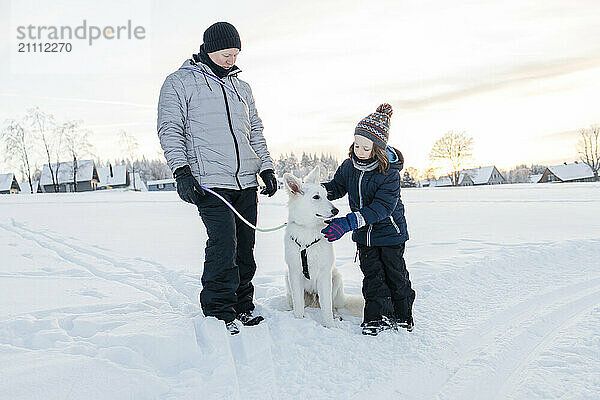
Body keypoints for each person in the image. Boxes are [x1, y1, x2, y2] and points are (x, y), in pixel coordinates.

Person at [157, 22, 277, 335]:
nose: (231, 59)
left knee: (245, 249)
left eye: (236, 54)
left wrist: (266, 167)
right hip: (210, 182)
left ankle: (242, 305)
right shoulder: (180, 82)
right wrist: (181, 172)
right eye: (226, 53)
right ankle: (219, 311)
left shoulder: (242, 87)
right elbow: (170, 129)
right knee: (223, 246)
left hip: (245, 182)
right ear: (210, 48)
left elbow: (255, 131)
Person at [321, 103, 415, 336]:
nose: (360, 151)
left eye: (366, 147)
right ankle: (376, 317)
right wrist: (314, 192)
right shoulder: (348, 166)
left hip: (390, 234)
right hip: (365, 236)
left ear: (378, 148)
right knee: (372, 277)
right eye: (357, 144)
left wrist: (348, 222)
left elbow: (382, 208)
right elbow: (336, 188)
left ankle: (403, 315)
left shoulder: (389, 173)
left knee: (395, 275)